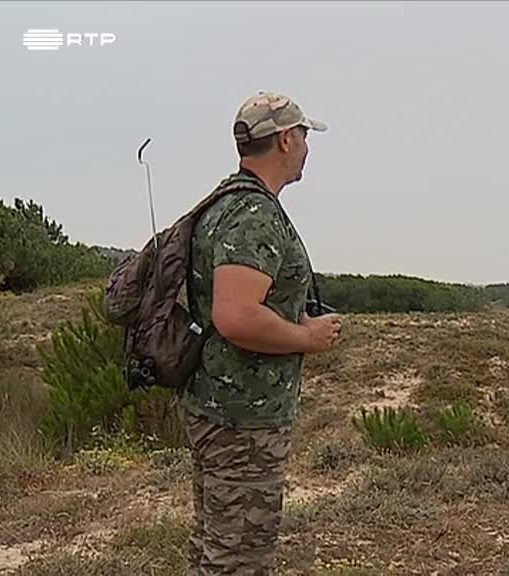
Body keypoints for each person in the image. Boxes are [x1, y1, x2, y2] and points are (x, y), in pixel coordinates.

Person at [178, 90, 342, 576]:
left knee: (216, 547)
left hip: (218, 406)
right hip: (241, 420)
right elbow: (237, 316)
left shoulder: (226, 202)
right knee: (239, 558)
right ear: (287, 140)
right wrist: (306, 337)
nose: (309, 147)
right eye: (306, 136)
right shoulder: (253, 215)